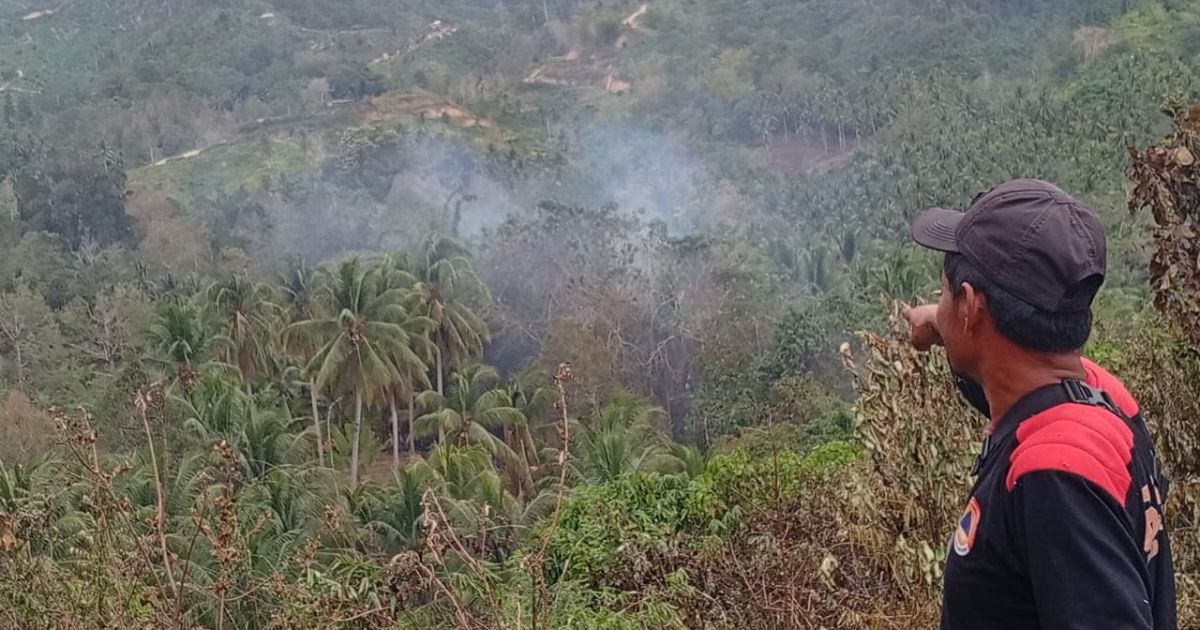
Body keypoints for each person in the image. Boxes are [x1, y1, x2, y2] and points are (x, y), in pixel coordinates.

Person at [904, 178, 1176, 630]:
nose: (940, 303)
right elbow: (999, 365)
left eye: (944, 291)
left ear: (971, 306)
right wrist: (937, 321)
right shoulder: (1100, 396)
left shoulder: (1055, 477)